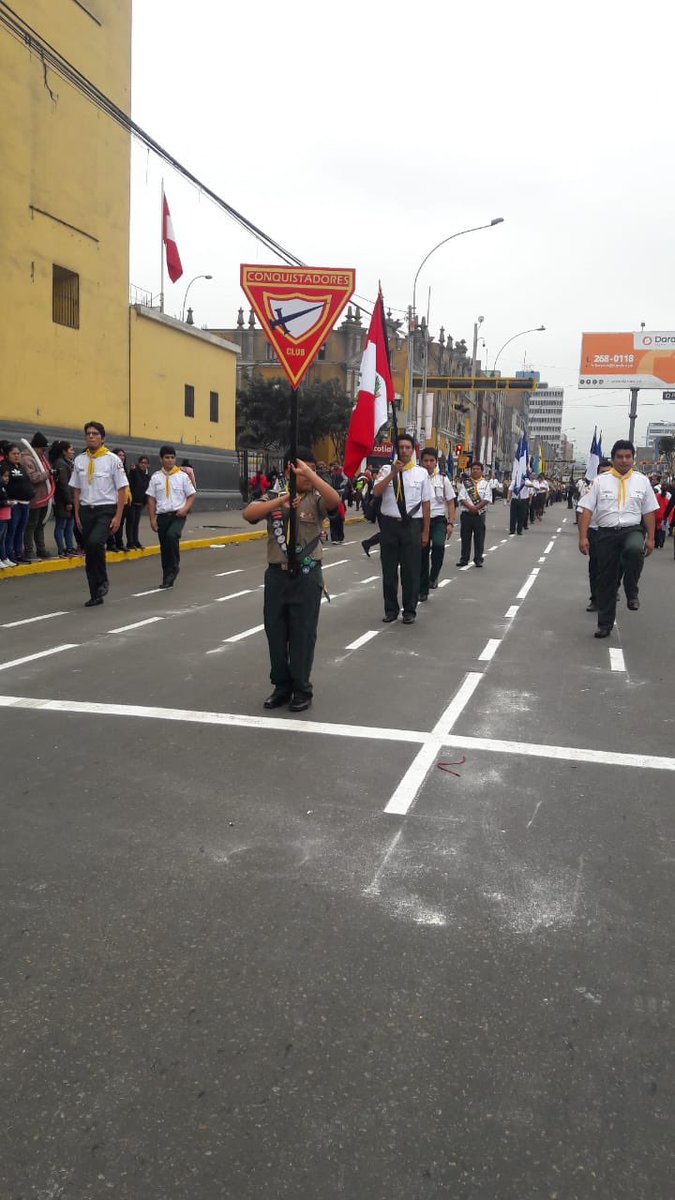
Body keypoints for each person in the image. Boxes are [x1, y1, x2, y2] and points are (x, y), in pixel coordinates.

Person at [242, 448, 340, 712]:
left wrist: (311, 475)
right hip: (277, 575)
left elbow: (335, 501)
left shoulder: (315, 498)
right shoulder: (275, 496)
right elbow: (249, 514)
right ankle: (281, 687)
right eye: (301, 470)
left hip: (307, 575)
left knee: (303, 634)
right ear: (288, 470)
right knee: (275, 632)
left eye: (311, 470)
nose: (307, 475)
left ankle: (301, 688)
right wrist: (282, 500)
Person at [578, 439, 659, 638]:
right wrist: (583, 537)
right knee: (605, 580)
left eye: (628, 457)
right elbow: (586, 510)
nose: (624, 461)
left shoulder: (642, 481)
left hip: (632, 529)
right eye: (620, 457)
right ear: (613, 459)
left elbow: (649, 512)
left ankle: (632, 590)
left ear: (633, 459)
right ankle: (604, 624)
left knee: (633, 550)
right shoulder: (600, 481)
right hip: (606, 533)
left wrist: (651, 539)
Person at [372, 434, 432, 624]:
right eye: (401, 447)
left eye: (408, 447)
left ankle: (409, 610)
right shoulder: (385, 469)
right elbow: (376, 491)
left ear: (413, 451)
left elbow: (426, 504)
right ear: (396, 450)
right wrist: (392, 473)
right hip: (389, 525)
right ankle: (391, 609)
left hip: (412, 526)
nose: (404, 450)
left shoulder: (421, 473)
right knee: (389, 570)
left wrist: (425, 532)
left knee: (411, 571)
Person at [69, 421, 129, 607]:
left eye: (95, 434)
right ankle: (95, 593)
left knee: (96, 543)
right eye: (88, 433)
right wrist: (77, 514)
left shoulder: (113, 460)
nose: (91, 436)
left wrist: (118, 516)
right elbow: (76, 489)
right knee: (90, 550)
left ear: (102, 438)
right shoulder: (79, 460)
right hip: (87, 510)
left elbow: (122, 489)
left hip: (106, 509)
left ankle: (102, 581)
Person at [146, 446, 196, 588]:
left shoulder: (182, 476)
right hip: (162, 515)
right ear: (161, 459)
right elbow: (151, 499)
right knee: (164, 546)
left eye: (172, 457)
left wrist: (185, 509)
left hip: (178, 515)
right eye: (167, 457)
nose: (170, 460)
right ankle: (167, 576)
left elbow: (191, 495)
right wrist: (152, 518)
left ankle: (174, 567)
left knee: (171, 536)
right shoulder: (156, 477)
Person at [419, 447, 456, 599]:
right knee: (422, 554)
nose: (428, 464)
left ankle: (433, 576)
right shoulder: (417, 478)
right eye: (425, 461)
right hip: (421, 520)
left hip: (439, 520)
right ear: (421, 462)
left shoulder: (443, 479)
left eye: (431, 461)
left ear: (436, 462)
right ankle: (422, 590)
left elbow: (451, 502)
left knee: (439, 546)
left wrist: (451, 523)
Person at [584, 458, 612, 612]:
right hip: (596, 531)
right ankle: (595, 598)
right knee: (595, 566)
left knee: (615, 566)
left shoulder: (621, 487)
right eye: (602, 472)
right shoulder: (592, 487)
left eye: (609, 472)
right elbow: (583, 510)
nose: (606, 475)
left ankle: (612, 591)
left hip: (616, 533)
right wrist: (583, 536)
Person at [21, 432, 55, 559]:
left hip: (44, 499)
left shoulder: (41, 459)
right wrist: (48, 473)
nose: (44, 451)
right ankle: (29, 550)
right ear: (36, 447)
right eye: (42, 449)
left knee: (40, 525)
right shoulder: (26, 459)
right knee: (31, 526)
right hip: (35, 499)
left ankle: (41, 549)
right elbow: (33, 477)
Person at [456, 461, 491, 567]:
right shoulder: (466, 483)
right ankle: (464, 559)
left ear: (481, 471)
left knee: (479, 537)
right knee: (465, 537)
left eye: (477, 469)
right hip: (466, 514)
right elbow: (461, 498)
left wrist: (476, 508)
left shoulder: (486, 484)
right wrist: (470, 507)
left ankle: (478, 559)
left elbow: (487, 498)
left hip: (479, 514)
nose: (475, 470)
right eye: (473, 469)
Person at [4, 444, 35, 563]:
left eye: (18, 453)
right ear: (7, 455)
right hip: (14, 504)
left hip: (25, 503)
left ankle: (19, 553)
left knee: (21, 530)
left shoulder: (21, 467)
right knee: (12, 530)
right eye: (14, 454)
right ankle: (9, 554)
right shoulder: (5, 467)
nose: (17, 456)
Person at [49, 440, 77, 557]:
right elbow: (63, 484)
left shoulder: (68, 463)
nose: (73, 452)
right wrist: (68, 501)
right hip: (63, 500)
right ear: (64, 452)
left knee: (69, 525)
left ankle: (70, 547)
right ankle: (62, 549)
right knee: (61, 525)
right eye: (71, 450)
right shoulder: (60, 464)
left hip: (70, 498)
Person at [127, 454, 151, 549]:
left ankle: (135, 541)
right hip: (132, 502)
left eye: (145, 463)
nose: (143, 465)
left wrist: (145, 501)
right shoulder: (134, 472)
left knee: (136, 523)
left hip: (140, 503)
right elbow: (134, 483)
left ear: (148, 465)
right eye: (141, 463)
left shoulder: (147, 476)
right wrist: (133, 470)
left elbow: (147, 488)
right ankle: (130, 542)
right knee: (131, 522)